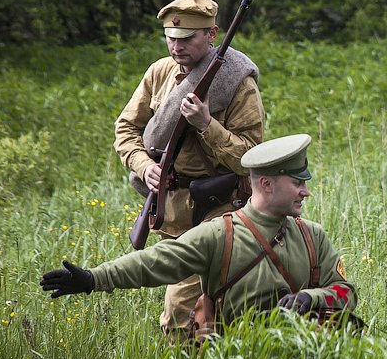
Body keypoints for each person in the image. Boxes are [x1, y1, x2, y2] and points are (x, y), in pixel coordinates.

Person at [41, 134, 356, 332]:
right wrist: (94, 278)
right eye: (298, 183)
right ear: (266, 184)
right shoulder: (220, 235)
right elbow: (156, 261)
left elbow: (346, 292)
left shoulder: (313, 237)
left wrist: (308, 297)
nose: (306, 192)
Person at [114, 0, 265, 339]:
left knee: (180, 309)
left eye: (186, 38)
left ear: (212, 34)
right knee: (214, 308)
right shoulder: (159, 73)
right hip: (171, 209)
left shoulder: (238, 81)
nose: (176, 46)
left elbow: (251, 155)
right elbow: (126, 129)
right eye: (170, 37)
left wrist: (205, 124)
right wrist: (143, 165)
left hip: (219, 208)